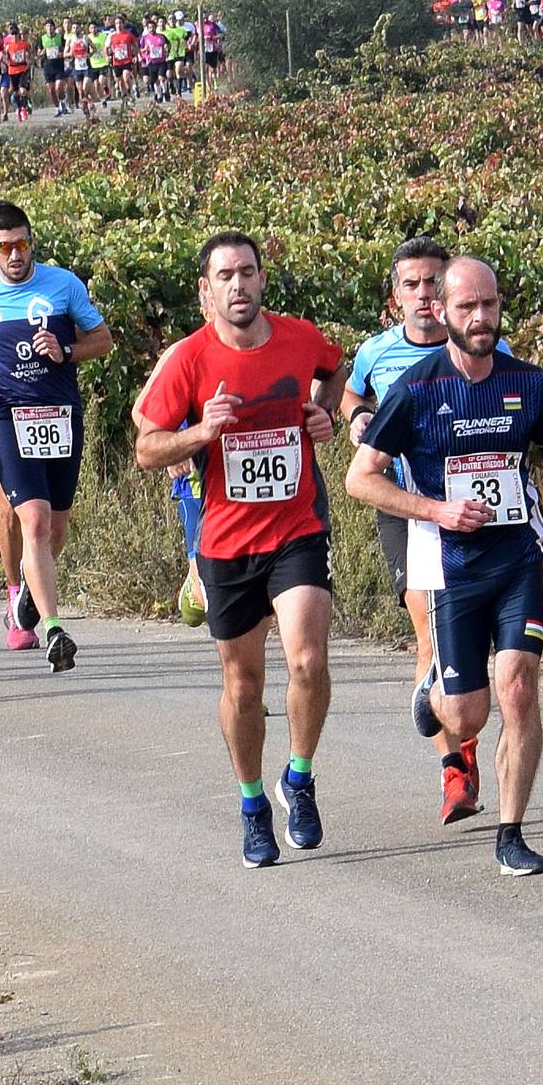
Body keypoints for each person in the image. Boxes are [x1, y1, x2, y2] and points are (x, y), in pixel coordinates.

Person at [347, 256, 543, 878]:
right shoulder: (416, 389)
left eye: (489, 305)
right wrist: (437, 510)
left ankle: (511, 832)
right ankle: (434, 690)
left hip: (517, 559)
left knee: (519, 687)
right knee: (466, 715)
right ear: (441, 312)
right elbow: (361, 480)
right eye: (467, 308)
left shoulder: (529, 383)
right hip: (452, 565)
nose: (480, 318)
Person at [131, 232, 350, 868]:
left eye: (248, 273)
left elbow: (336, 371)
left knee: (307, 658)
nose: (238, 285)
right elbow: (147, 447)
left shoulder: (299, 338)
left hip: (297, 527)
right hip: (225, 542)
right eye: (225, 276)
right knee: (244, 682)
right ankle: (253, 802)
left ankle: (300, 779)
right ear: (206, 290)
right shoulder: (189, 360)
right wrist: (202, 431)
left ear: (261, 281)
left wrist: (323, 414)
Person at [0, 201, 115, 672]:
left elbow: (102, 340)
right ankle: (54, 627)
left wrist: (66, 349)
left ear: (31, 241)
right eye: (4, 247)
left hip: (61, 414)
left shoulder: (63, 285)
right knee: (34, 521)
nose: (15, 255)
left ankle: (26, 587)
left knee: (56, 527)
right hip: (6, 415)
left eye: (22, 243)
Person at [343, 237, 462, 751]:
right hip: (403, 502)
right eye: (411, 285)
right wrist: (357, 416)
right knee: (430, 630)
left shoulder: (483, 343)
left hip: (472, 502)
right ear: (396, 297)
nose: (423, 294)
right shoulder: (377, 350)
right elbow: (351, 390)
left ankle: (464, 727)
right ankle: (453, 767)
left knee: (468, 634)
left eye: (433, 282)